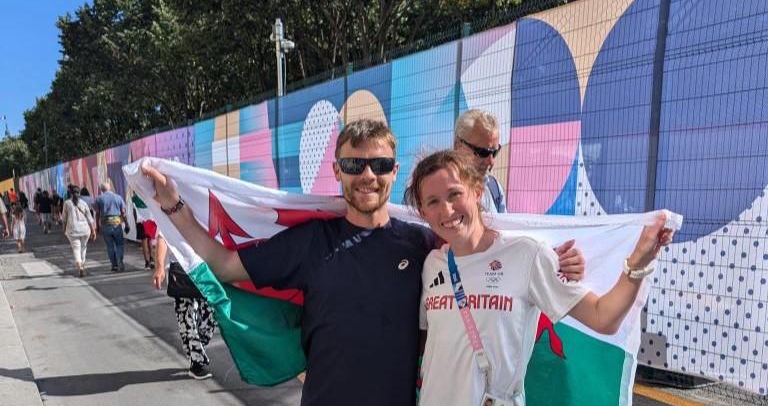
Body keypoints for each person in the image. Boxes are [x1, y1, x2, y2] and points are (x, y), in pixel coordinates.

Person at [141, 119, 585, 406]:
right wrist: (174, 207)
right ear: (337, 171)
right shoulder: (310, 241)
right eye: (354, 164)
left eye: (379, 163)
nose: (367, 174)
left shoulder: (423, 244)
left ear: (394, 172)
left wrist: (560, 259)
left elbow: (485, 247)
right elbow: (224, 265)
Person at [403, 150, 674, 406]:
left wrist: (638, 263)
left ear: (477, 192)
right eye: (433, 202)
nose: (447, 210)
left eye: (454, 194)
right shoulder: (432, 264)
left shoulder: (526, 255)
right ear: (423, 212)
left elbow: (603, 317)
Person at [152, 235, 216, 380]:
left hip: (204, 269)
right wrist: (160, 267)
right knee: (187, 319)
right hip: (181, 271)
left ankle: (196, 353)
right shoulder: (169, 212)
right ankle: (196, 363)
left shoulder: (206, 212)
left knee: (211, 316)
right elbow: (162, 238)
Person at [454, 109, 506, 213]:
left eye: (495, 152)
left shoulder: (494, 188)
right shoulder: (434, 189)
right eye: (482, 152)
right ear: (458, 146)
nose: (491, 162)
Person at [62, 186, 97, 277]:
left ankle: (79, 264)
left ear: (71, 193)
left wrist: (64, 229)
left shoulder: (67, 203)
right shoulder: (84, 203)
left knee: (76, 248)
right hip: (85, 229)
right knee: (83, 247)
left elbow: (64, 219)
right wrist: (93, 231)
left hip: (72, 229)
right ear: (79, 194)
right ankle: (82, 264)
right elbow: (90, 218)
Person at [95, 181, 129, 272]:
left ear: (101, 190)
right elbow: (123, 213)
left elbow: (97, 213)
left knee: (109, 246)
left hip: (105, 225)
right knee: (119, 244)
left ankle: (114, 265)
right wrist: (126, 224)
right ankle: (119, 259)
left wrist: (97, 225)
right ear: (110, 188)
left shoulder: (98, 199)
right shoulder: (118, 197)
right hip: (117, 224)